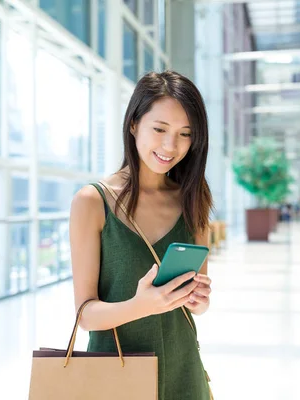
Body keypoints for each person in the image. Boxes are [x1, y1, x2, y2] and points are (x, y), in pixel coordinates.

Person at [69, 71, 214, 400]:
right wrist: (142, 305)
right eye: (159, 129)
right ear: (134, 123)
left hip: (184, 375)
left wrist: (199, 300)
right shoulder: (92, 202)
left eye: (185, 134)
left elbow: (197, 306)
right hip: (116, 378)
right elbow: (85, 315)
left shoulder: (194, 199)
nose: (170, 146)